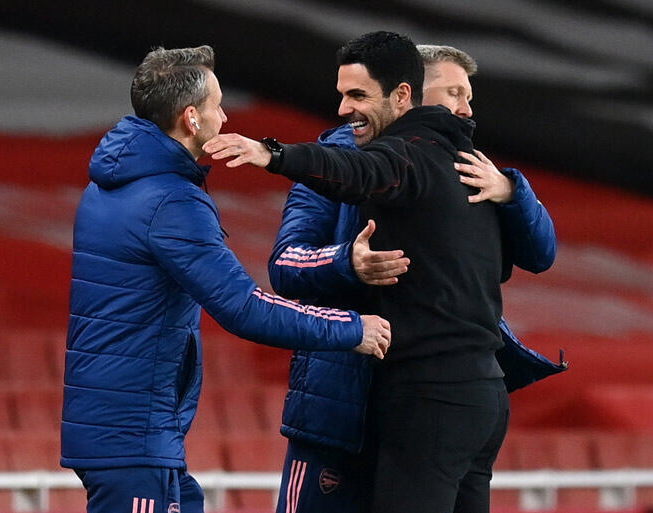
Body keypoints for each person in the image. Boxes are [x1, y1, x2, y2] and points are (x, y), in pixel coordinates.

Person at [205, 31, 553, 513]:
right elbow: (285, 265)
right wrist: (345, 262)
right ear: (413, 91)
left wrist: (515, 192)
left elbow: (539, 254)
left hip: (422, 392)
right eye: (454, 93)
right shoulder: (336, 160)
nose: (465, 109)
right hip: (344, 402)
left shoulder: (471, 170)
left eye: (468, 96)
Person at [60, 45, 392, 513]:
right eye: (217, 105)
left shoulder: (110, 183)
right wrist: (352, 328)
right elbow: (245, 307)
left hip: (122, 429)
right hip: (132, 436)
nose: (225, 116)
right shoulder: (171, 202)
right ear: (191, 118)